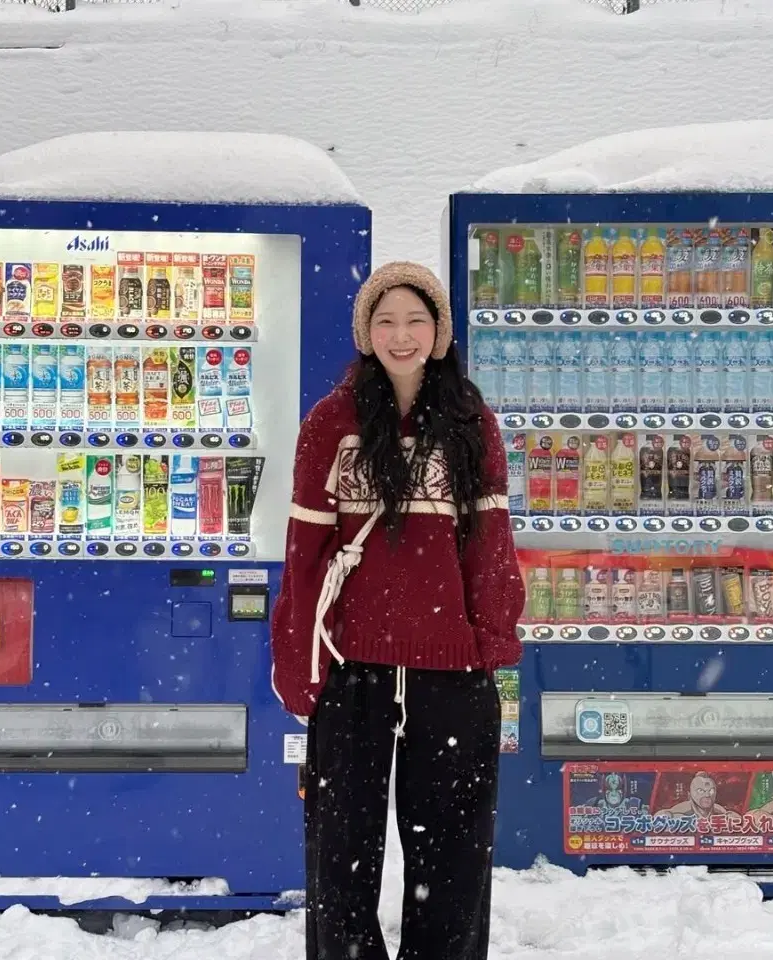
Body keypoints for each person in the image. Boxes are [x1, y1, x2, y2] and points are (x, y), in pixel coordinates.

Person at [270, 260, 525, 960]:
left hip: (452, 673)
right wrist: (299, 664)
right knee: (339, 864)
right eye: (385, 321)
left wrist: (492, 645)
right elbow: (305, 555)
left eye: (416, 319)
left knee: (453, 865)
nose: (401, 335)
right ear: (366, 333)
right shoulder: (331, 423)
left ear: (439, 330)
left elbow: (490, 547)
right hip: (354, 672)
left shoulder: (474, 424)